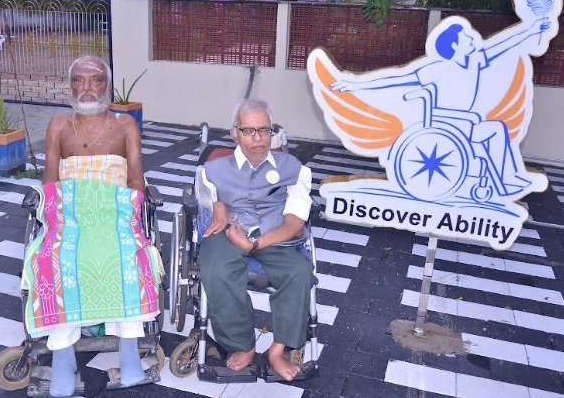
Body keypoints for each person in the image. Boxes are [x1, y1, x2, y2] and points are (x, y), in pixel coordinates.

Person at [22, 55, 160, 397]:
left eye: (95, 80)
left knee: (129, 258)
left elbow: (136, 181)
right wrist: (59, 217)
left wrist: (126, 217)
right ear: (70, 86)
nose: (86, 88)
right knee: (52, 261)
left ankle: (129, 356)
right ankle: (63, 360)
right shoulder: (58, 125)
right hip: (71, 216)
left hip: (114, 215)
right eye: (78, 81)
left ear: (107, 86)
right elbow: (51, 183)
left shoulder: (125, 126)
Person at [331, 19, 550, 195]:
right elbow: (398, 78)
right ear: (455, 46)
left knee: (497, 130)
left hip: (465, 122)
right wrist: (357, 83)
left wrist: (530, 29)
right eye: (466, 37)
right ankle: (507, 180)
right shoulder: (436, 69)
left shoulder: (474, 62)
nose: (472, 38)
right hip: (449, 122)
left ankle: (508, 178)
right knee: (494, 130)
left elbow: (502, 45)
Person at [196, 99, 314, 381]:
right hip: (231, 231)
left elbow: (295, 223)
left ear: (273, 132)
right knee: (215, 268)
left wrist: (256, 244)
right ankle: (242, 344)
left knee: (299, 271)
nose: (258, 138)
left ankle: (278, 349)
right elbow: (203, 194)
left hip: (276, 236)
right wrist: (218, 206)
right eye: (249, 131)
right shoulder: (213, 169)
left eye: (264, 130)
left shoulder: (295, 169)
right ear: (234, 134)